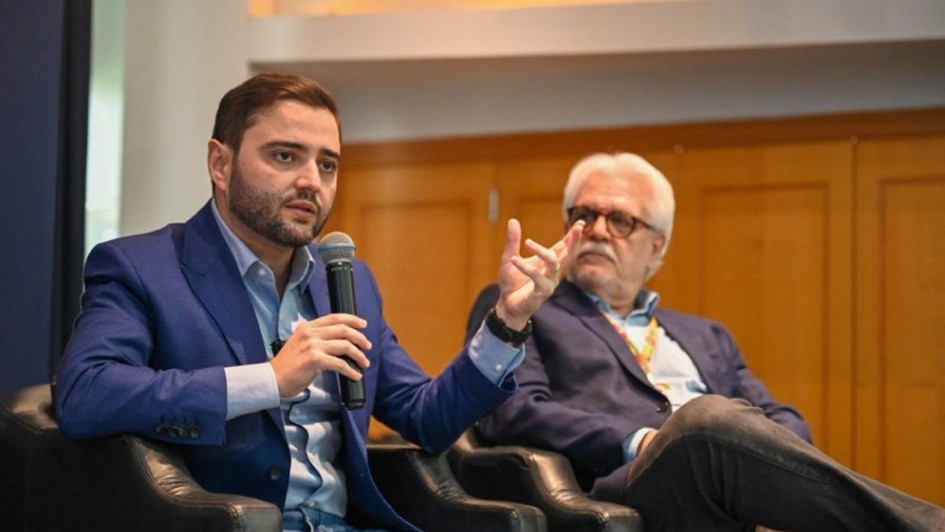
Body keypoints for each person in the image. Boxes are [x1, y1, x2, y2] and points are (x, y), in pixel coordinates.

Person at [53, 72, 583, 532]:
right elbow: (87, 392)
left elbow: (428, 418)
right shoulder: (141, 267)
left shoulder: (345, 282)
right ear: (220, 163)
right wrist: (269, 380)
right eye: (285, 155)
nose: (311, 181)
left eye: (327, 164)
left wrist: (508, 322)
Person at [475, 152, 945, 531]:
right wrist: (639, 441)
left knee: (720, 423)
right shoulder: (522, 305)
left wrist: (764, 456)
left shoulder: (706, 335)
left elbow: (781, 419)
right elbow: (516, 412)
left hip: (721, 481)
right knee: (703, 420)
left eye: (621, 220)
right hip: (624, 487)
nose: (597, 230)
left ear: (656, 245)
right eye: (584, 215)